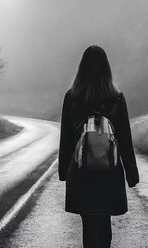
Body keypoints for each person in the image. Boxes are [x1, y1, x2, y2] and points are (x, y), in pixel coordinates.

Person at [58, 45, 140, 248]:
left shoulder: (73, 97)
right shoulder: (116, 98)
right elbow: (124, 139)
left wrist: (64, 172)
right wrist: (131, 173)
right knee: (104, 222)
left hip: (82, 171)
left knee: (88, 224)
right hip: (109, 172)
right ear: (107, 69)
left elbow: (66, 139)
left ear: (81, 69)